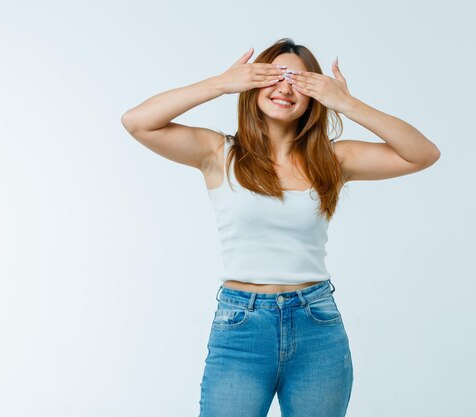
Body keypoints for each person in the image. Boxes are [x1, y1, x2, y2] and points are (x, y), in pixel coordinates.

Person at [121, 38, 440, 417]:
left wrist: (347, 103)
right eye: (274, 75)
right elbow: (137, 121)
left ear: (313, 96)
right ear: (253, 84)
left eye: (300, 81)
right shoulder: (218, 153)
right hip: (241, 325)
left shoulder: (333, 159)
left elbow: (423, 153)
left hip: (316, 325)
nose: (286, 87)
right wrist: (221, 83)